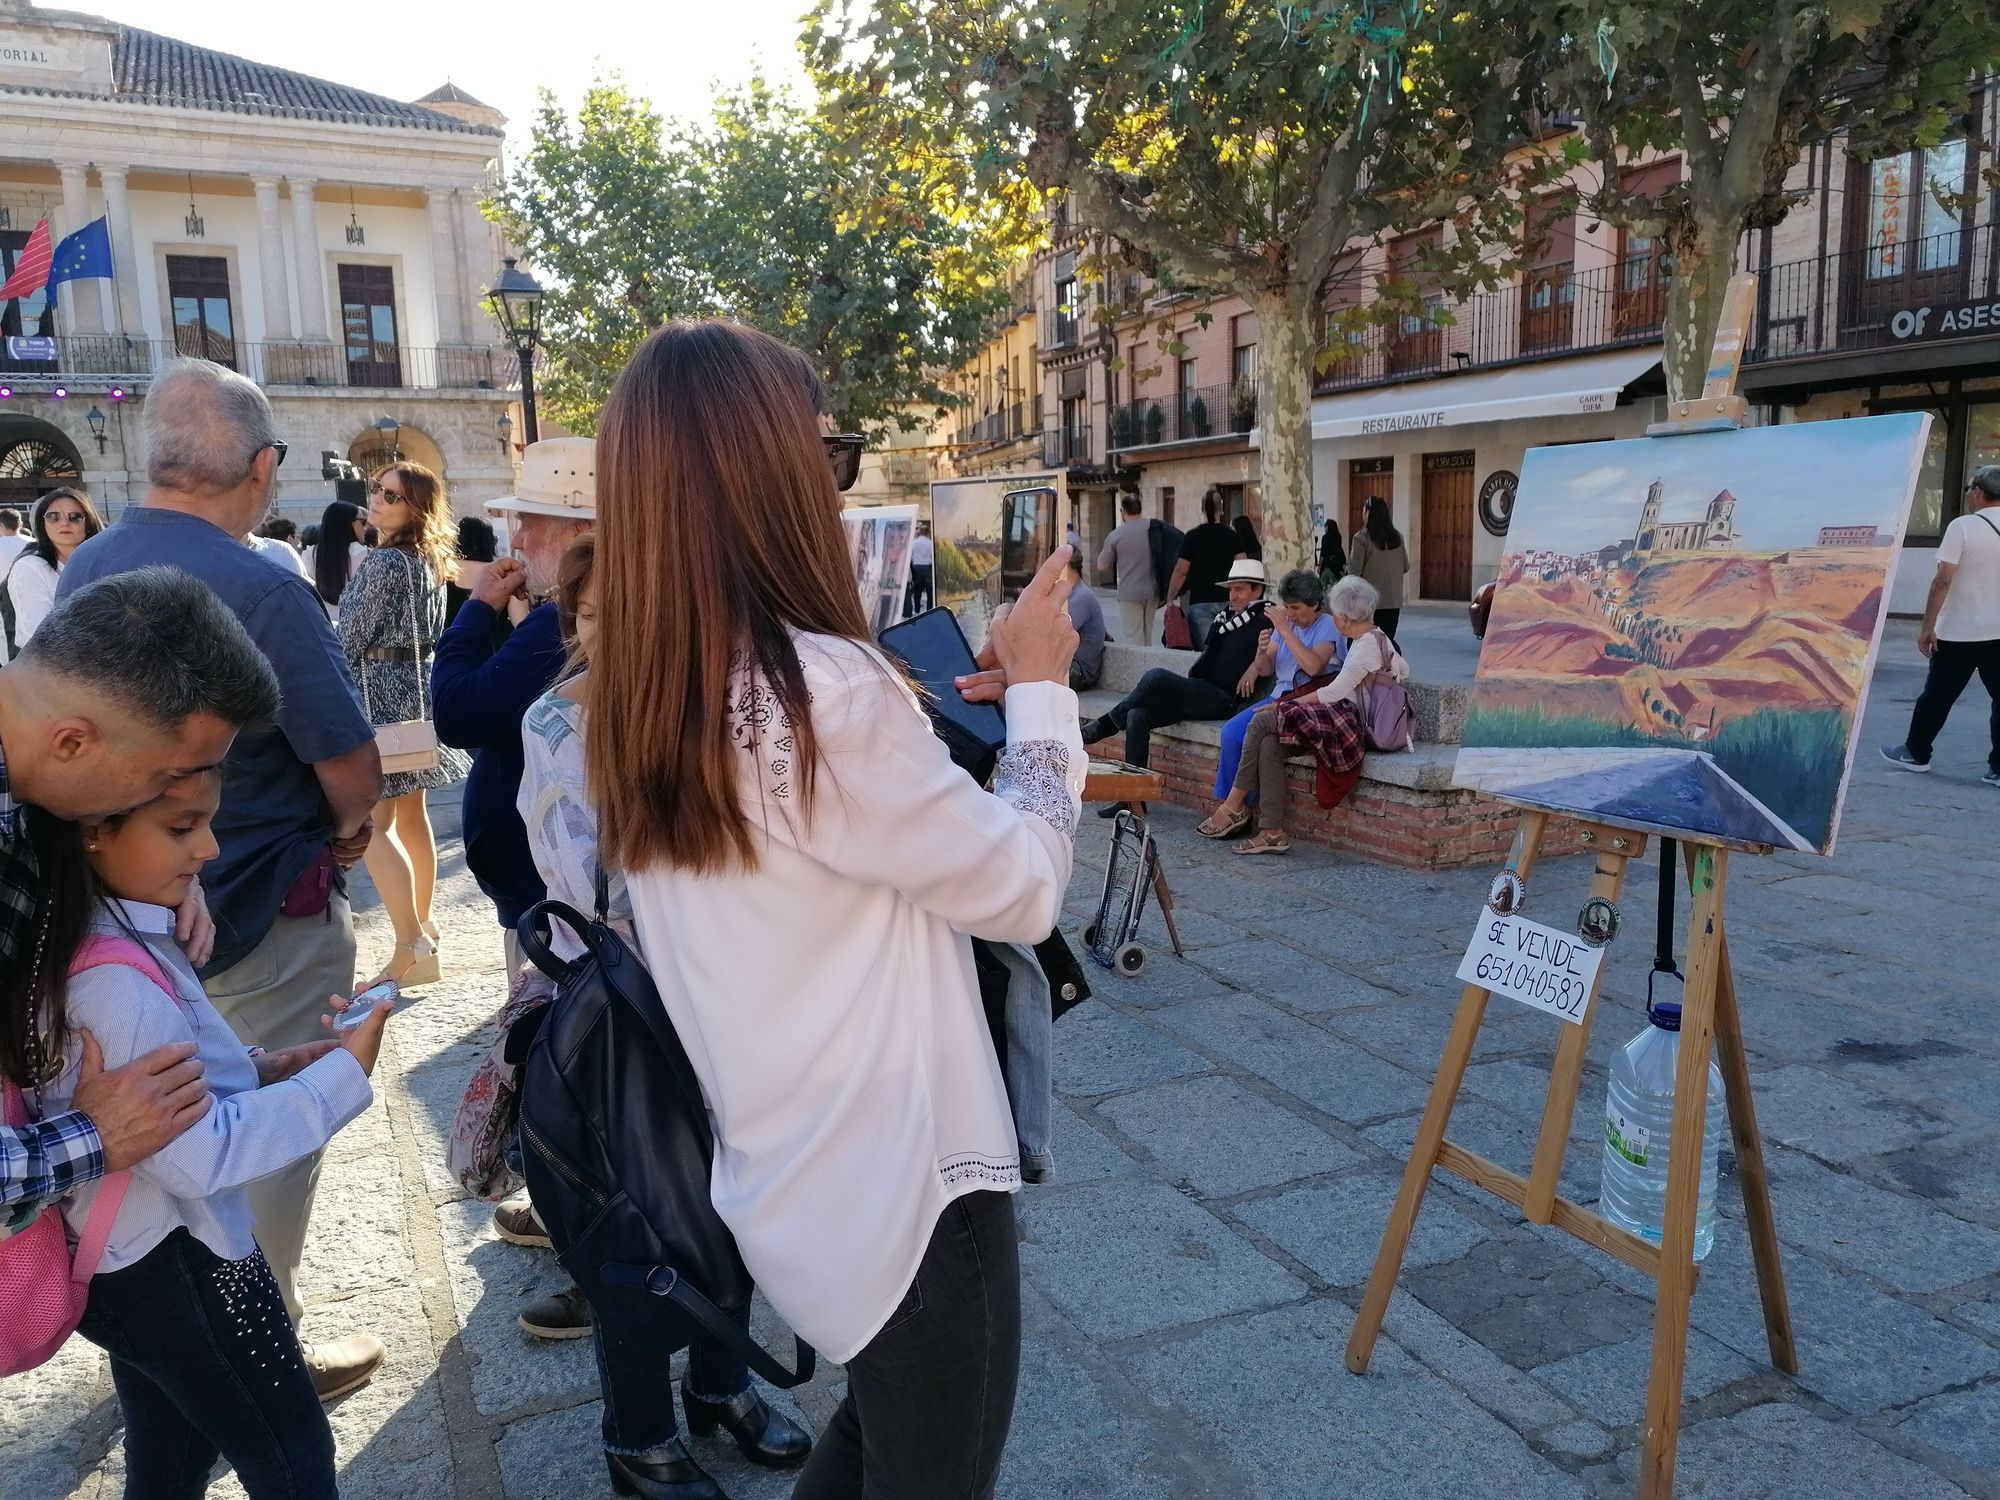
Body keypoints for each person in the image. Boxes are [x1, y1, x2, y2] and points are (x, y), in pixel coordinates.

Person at [587, 320, 1081, 1500]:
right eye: (832, 454)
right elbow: (1020, 888)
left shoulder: (645, 690)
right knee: (932, 1467)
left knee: (877, 1438)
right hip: (907, 1184)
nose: (838, 480)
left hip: (785, 1174)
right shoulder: (818, 694)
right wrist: (1048, 694)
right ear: (767, 472)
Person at [59, 359, 387, 1398]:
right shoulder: (262, 585)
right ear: (260, 468)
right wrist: (345, 835)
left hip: (121, 917)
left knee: (155, 1140)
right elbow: (351, 768)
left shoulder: (84, 567)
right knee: (258, 1147)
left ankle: (172, 1360)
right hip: (255, 900)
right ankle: (261, 1352)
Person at [518, 533, 814, 1492]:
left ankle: (722, 1385)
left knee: (736, 1206)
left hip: (728, 1013)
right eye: (595, 615)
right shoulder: (557, 727)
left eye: (635, 614)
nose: (611, 635)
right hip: (626, 1027)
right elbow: (592, 901)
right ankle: (637, 1434)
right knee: (636, 1228)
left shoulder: (710, 715)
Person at [39, 772, 390, 1500]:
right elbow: (201, 1154)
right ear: (92, 830)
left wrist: (260, 1072)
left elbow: (170, 1094)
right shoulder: (115, 986)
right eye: (180, 828)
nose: (209, 847)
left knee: (170, 1451)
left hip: (125, 1264)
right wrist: (337, 1080)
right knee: (291, 1452)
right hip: (185, 1265)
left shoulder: (99, 932)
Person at [0, 567, 283, 1242]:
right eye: (164, 778)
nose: (162, 797)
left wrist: (173, 874)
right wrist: (92, 1137)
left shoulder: (40, 769)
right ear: (71, 742)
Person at [432, 438, 595, 983]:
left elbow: (457, 712)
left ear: (578, 531)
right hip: (552, 896)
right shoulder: (563, 614)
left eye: (530, 521)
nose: (518, 538)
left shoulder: (567, 620)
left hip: (557, 912)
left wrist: (478, 609)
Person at [341, 462, 472, 989]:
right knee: (411, 820)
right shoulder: (425, 558)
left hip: (382, 698)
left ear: (415, 506)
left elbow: (349, 637)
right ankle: (425, 929)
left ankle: (409, 944)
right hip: (417, 696)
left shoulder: (386, 563)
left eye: (391, 496)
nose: (377, 500)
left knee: (372, 827)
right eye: (377, 490)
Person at [1202, 574, 1408, 855]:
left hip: (1342, 721)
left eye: (1336, 613)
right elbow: (1403, 669)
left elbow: (1331, 691)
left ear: (1345, 617)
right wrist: (1261, 653)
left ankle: (1233, 804)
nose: (1333, 618)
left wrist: (1282, 706)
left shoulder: (1364, 645)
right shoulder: (1366, 639)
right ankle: (1272, 831)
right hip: (1326, 715)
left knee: (1262, 720)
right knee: (1268, 744)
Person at [1080, 558, 1271, 801]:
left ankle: (1105, 725)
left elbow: (1274, 650)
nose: (1232, 596)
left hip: (1223, 699)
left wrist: (1256, 665)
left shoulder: (1266, 618)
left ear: (1258, 590)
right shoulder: (1227, 618)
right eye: (1231, 589)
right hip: (1200, 691)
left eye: (1239, 589)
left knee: (1156, 677)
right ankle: (1131, 798)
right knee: (1136, 715)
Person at [1884, 464, 2000, 786]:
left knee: (1937, 696)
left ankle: (1916, 753)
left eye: (1968, 490)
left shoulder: (1963, 527)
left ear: (1977, 492)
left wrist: (1926, 626)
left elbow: (1942, 581)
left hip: (1960, 633)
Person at [1204, 568, 1345, 824]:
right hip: (1277, 698)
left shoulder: (1328, 626)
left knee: (1257, 738)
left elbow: (1314, 666)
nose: (1290, 614)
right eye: (1287, 608)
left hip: (1306, 705)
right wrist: (1261, 651)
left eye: (1296, 608)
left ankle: (1235, 809)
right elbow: (1266, 668)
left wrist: (1284, 629)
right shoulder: (1285, 626)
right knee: (1231, 733)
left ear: (1314, 604)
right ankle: (1238, 807)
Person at [5, 487, 105, 652]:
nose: (64, 523)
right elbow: (39, 635)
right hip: (50, 669)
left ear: (88, 524)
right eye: (53, 517)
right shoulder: (30, 567)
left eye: (75, 517)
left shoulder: (102, 564)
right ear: (42, 524)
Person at [1167, 489, 1240, 649]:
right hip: (1229, 600)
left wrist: (1170, 599)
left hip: (1200, 601)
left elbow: (1181, 571)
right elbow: (1243, 565)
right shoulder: (1232, 536)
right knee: (1229, 649)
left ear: (1202, 508)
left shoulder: (1193, 536)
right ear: (1221, 509)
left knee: (1207, 653)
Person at [1097, 492, 1157, 645]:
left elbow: (1101, 565)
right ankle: (1148, 666)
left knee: (1134, 638)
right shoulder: (1153, 528)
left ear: (1123, 511)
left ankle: (1139, 669)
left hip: (1129, 593)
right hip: (1152, 591)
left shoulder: (1116, 535)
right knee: (1147, 635)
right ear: (1140, 509)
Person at [1348, 496, 1409, 641]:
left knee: (1361, 643)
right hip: (1393, 602)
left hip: (1368, 603)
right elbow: (1405, 566)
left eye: (1363, 511)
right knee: (1386, 643)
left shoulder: (1361, 538)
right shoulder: (1397, 537)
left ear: (1368, 513)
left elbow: (1354, 573)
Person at [303, 499, 368, 621]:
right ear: (349, 524)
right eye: (362, 522)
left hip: (324, 622)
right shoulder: (367, 555)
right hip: (357, 623)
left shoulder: (310, 555)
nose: (365, 528)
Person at [446, 515, 508, 632]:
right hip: (492, 645)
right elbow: (520, 620)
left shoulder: (444, 571)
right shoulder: (500, 573)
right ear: (489, 542)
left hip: (449, 642)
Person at [1065, 550, 1107, 691]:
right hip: (1070, 664)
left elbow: (1054, 633)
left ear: (1067, 566)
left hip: (1080, 671)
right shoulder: (1070, 593)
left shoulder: (1081, 597)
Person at [906, 519, 935, 615]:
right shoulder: (931, 543)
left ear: (920, 533)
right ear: (928, 533)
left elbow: (910, 557)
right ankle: (929, 610)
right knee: (929, 591)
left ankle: (917, 609)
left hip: (916, 568)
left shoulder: (914, 543)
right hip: (928, 567)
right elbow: (933, 556)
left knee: (917, 591)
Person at [1318, 518, 1346, 587]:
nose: (1324, 529)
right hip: (1337, 565)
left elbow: (1323, 553)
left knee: (1323, 585)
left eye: (1325, 527)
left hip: (1328, 565)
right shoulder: (1338, 537)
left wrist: (1319, 566)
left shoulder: (1325, 537)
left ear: (1327, 527)